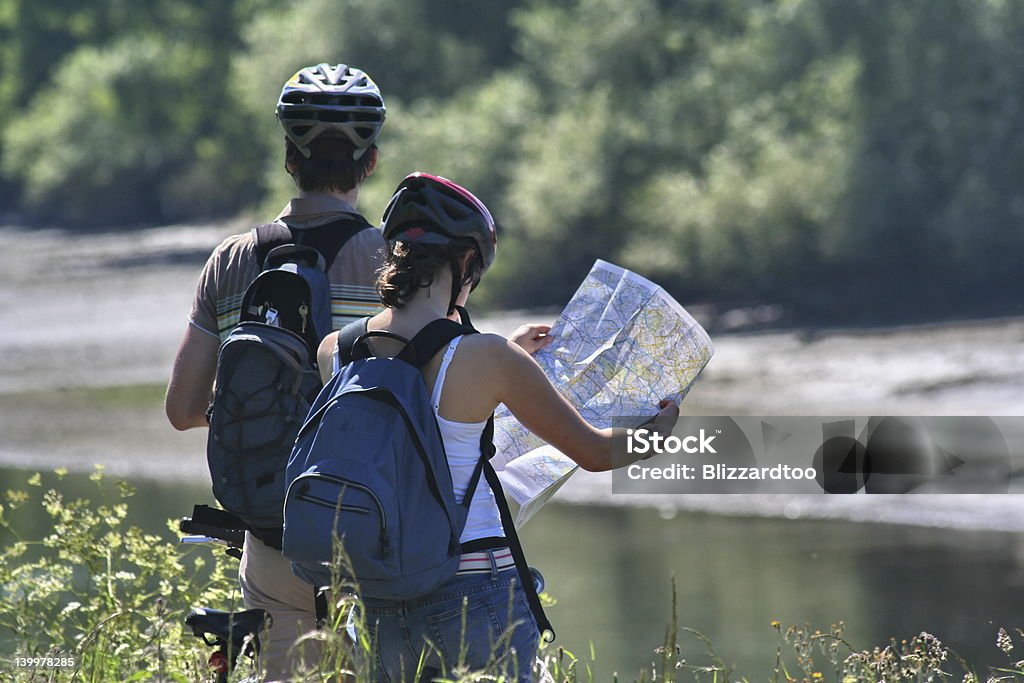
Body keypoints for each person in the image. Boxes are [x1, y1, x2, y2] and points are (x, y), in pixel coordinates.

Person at [316, 172, 679, 682]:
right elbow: (597, 453)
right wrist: (658, 433)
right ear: (467, 262)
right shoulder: (488, 358)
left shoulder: (334, 351)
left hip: (379, 597)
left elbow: (410, 404)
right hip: (473, 589)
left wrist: (502, 352)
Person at [165, 62, 388, 680]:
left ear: (290, 156)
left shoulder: (231, 261)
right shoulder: (399, 264)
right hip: (377, 534)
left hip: (271, 535)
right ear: (369, 163)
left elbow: (182, 411)